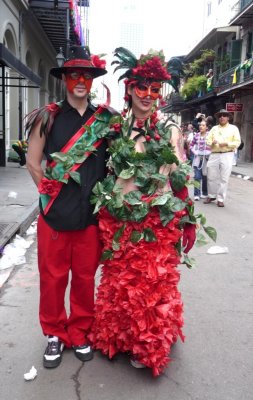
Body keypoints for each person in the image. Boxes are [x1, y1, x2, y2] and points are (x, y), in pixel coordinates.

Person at [89, 47, 197, 376]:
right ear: (129, 90)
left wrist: (187, 215)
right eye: (142, 88)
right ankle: (119, 336)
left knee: (150, 286)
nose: (148, 96)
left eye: (155, 90)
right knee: (121, 282)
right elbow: (99, 171)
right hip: (120, 219)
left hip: (155, 221)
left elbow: (179, 177)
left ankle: (148, 344)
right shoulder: (114, 129)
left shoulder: (169, 130)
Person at [25, 45, 113, 368]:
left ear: (91, 81)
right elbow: (33, 163)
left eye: (86, 76)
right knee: (52, 278)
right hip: (55, 217)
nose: (79, 80)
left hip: (90, 217)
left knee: (85, 277)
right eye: (74, 74)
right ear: (65, 79)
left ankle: (80, 332)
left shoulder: (104, 122)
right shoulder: (48, 117)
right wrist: (50, 195)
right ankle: (54, 333)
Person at [204, 109, 241, 207]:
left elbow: (238, 142)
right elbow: (207, 141)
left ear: (228, 117)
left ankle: (220, 198)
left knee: (224, 178)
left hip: (227, 154)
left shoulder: (234, 128)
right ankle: (211, 195)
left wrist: (227, 143)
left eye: (224, 115)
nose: (222, 117)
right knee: (211, 175)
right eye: (220, 116)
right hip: (214, 154)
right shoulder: (214, 128)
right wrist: (211, 143)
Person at [190, 119, 211, 200]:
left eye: (203, 125)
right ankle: (196, 194)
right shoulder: (196, 135)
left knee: (205, 176)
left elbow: (213, 146)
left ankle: (204, 193)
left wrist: (209, 152)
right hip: (198, 158)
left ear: (206, 127)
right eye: (200, 125)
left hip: (207, 158)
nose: (201, 126)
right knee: (197, 176)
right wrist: (195, 152)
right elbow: (191, 145)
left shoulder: (210, 135)